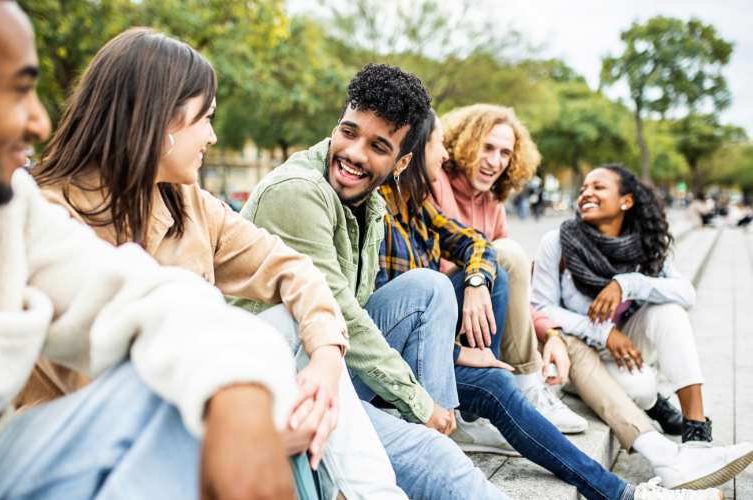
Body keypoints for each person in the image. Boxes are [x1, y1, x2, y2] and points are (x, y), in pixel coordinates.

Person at [230, 63, 725, 500]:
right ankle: (454, 429)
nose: (354, 153)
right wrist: (424, 404)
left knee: (437, 293)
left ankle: (621, 491)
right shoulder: (301, 194)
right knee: (444, 449)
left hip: (350, 364)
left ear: (400, 161)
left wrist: (484, 306)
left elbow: (472, 253)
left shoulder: (375, 202)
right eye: (348, 132)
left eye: (377, 146)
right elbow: (343, 319)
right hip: (292, 375)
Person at [31, 27, 407, 500]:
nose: (211, 135)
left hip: (215, 404)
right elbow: (112, 392)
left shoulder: (187, 202)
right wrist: (251, 430)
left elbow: (292, 270)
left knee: (299, 338)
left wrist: (328, 362)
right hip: (96, 448)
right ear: (157, 120)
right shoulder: (49, 220)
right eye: (204, 118)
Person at [0, 1, 304, 499]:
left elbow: (136, 293)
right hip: (42, 442)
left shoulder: (6, 209)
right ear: (157, 122)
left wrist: (242, 393)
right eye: (17, 89)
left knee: (221, 376)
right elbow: (83, 378)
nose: (38, 120)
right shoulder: (56, 202)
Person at [375, 108, 730, 500]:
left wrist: (478, 283)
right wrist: (459, 350)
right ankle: (627, 492)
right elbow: (396, 314)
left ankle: (628, 490)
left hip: (457, 341)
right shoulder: (390, 204)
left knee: (498, 287)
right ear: (411, 153)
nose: (444, 156)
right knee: (477, 282)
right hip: (408, 360)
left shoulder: (421, 204)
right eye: (440, 144)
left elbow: (479, 248)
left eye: (505, 152)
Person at [531, 164, 753, 490]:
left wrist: (629, 283)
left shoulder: (643, 246)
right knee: (643, 388)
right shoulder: (559, 241)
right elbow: (541, 307)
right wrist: (604, 332)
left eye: (599, 187)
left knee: (669, 310)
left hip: (629, 342)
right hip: (577, 351)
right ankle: (654, 404)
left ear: (626, 201)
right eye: (584, 189)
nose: (586, 193)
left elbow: (686, 293)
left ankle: (696, 437)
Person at [431, 103, 587, 433]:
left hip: (483, 318)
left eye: (505, 152)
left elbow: (515, 288)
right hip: (439, 313)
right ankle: (524, 387)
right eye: (487, 147)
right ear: (464, 143)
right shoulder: (436, 182)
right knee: (505, 252)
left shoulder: (494, 204)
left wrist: (550, 332)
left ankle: (519, 387)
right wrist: (475, 279)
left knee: (505, 261)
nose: (495, 160)